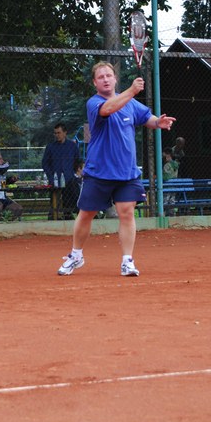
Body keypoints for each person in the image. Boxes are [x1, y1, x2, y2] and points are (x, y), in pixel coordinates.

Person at [57, 61, 176, 277]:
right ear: (95, 83)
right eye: (100, 77)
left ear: (115, 79)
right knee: (86, 214)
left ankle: (127, 261)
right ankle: (76, 255)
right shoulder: (94, 103)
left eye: (108, 75)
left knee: (127, 212)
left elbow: (146, 118)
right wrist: (132, 90)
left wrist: (158, 122)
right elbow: (109, 109)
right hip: (99, 172)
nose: (105, 79)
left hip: (127, 172)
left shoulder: (130, 103)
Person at [42, 122, 80, 219]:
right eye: (55, 133)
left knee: (72, 198)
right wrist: (51, 177)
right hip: (55, 180)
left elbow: (78, 161)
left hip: (69, 180)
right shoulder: (50, 147)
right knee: (54, 202)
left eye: (59, 133)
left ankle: (69, 215)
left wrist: (75, 174)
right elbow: (45, 164)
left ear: (65, 133)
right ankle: (53, 217)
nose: (56, 135)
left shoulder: (72, 146)